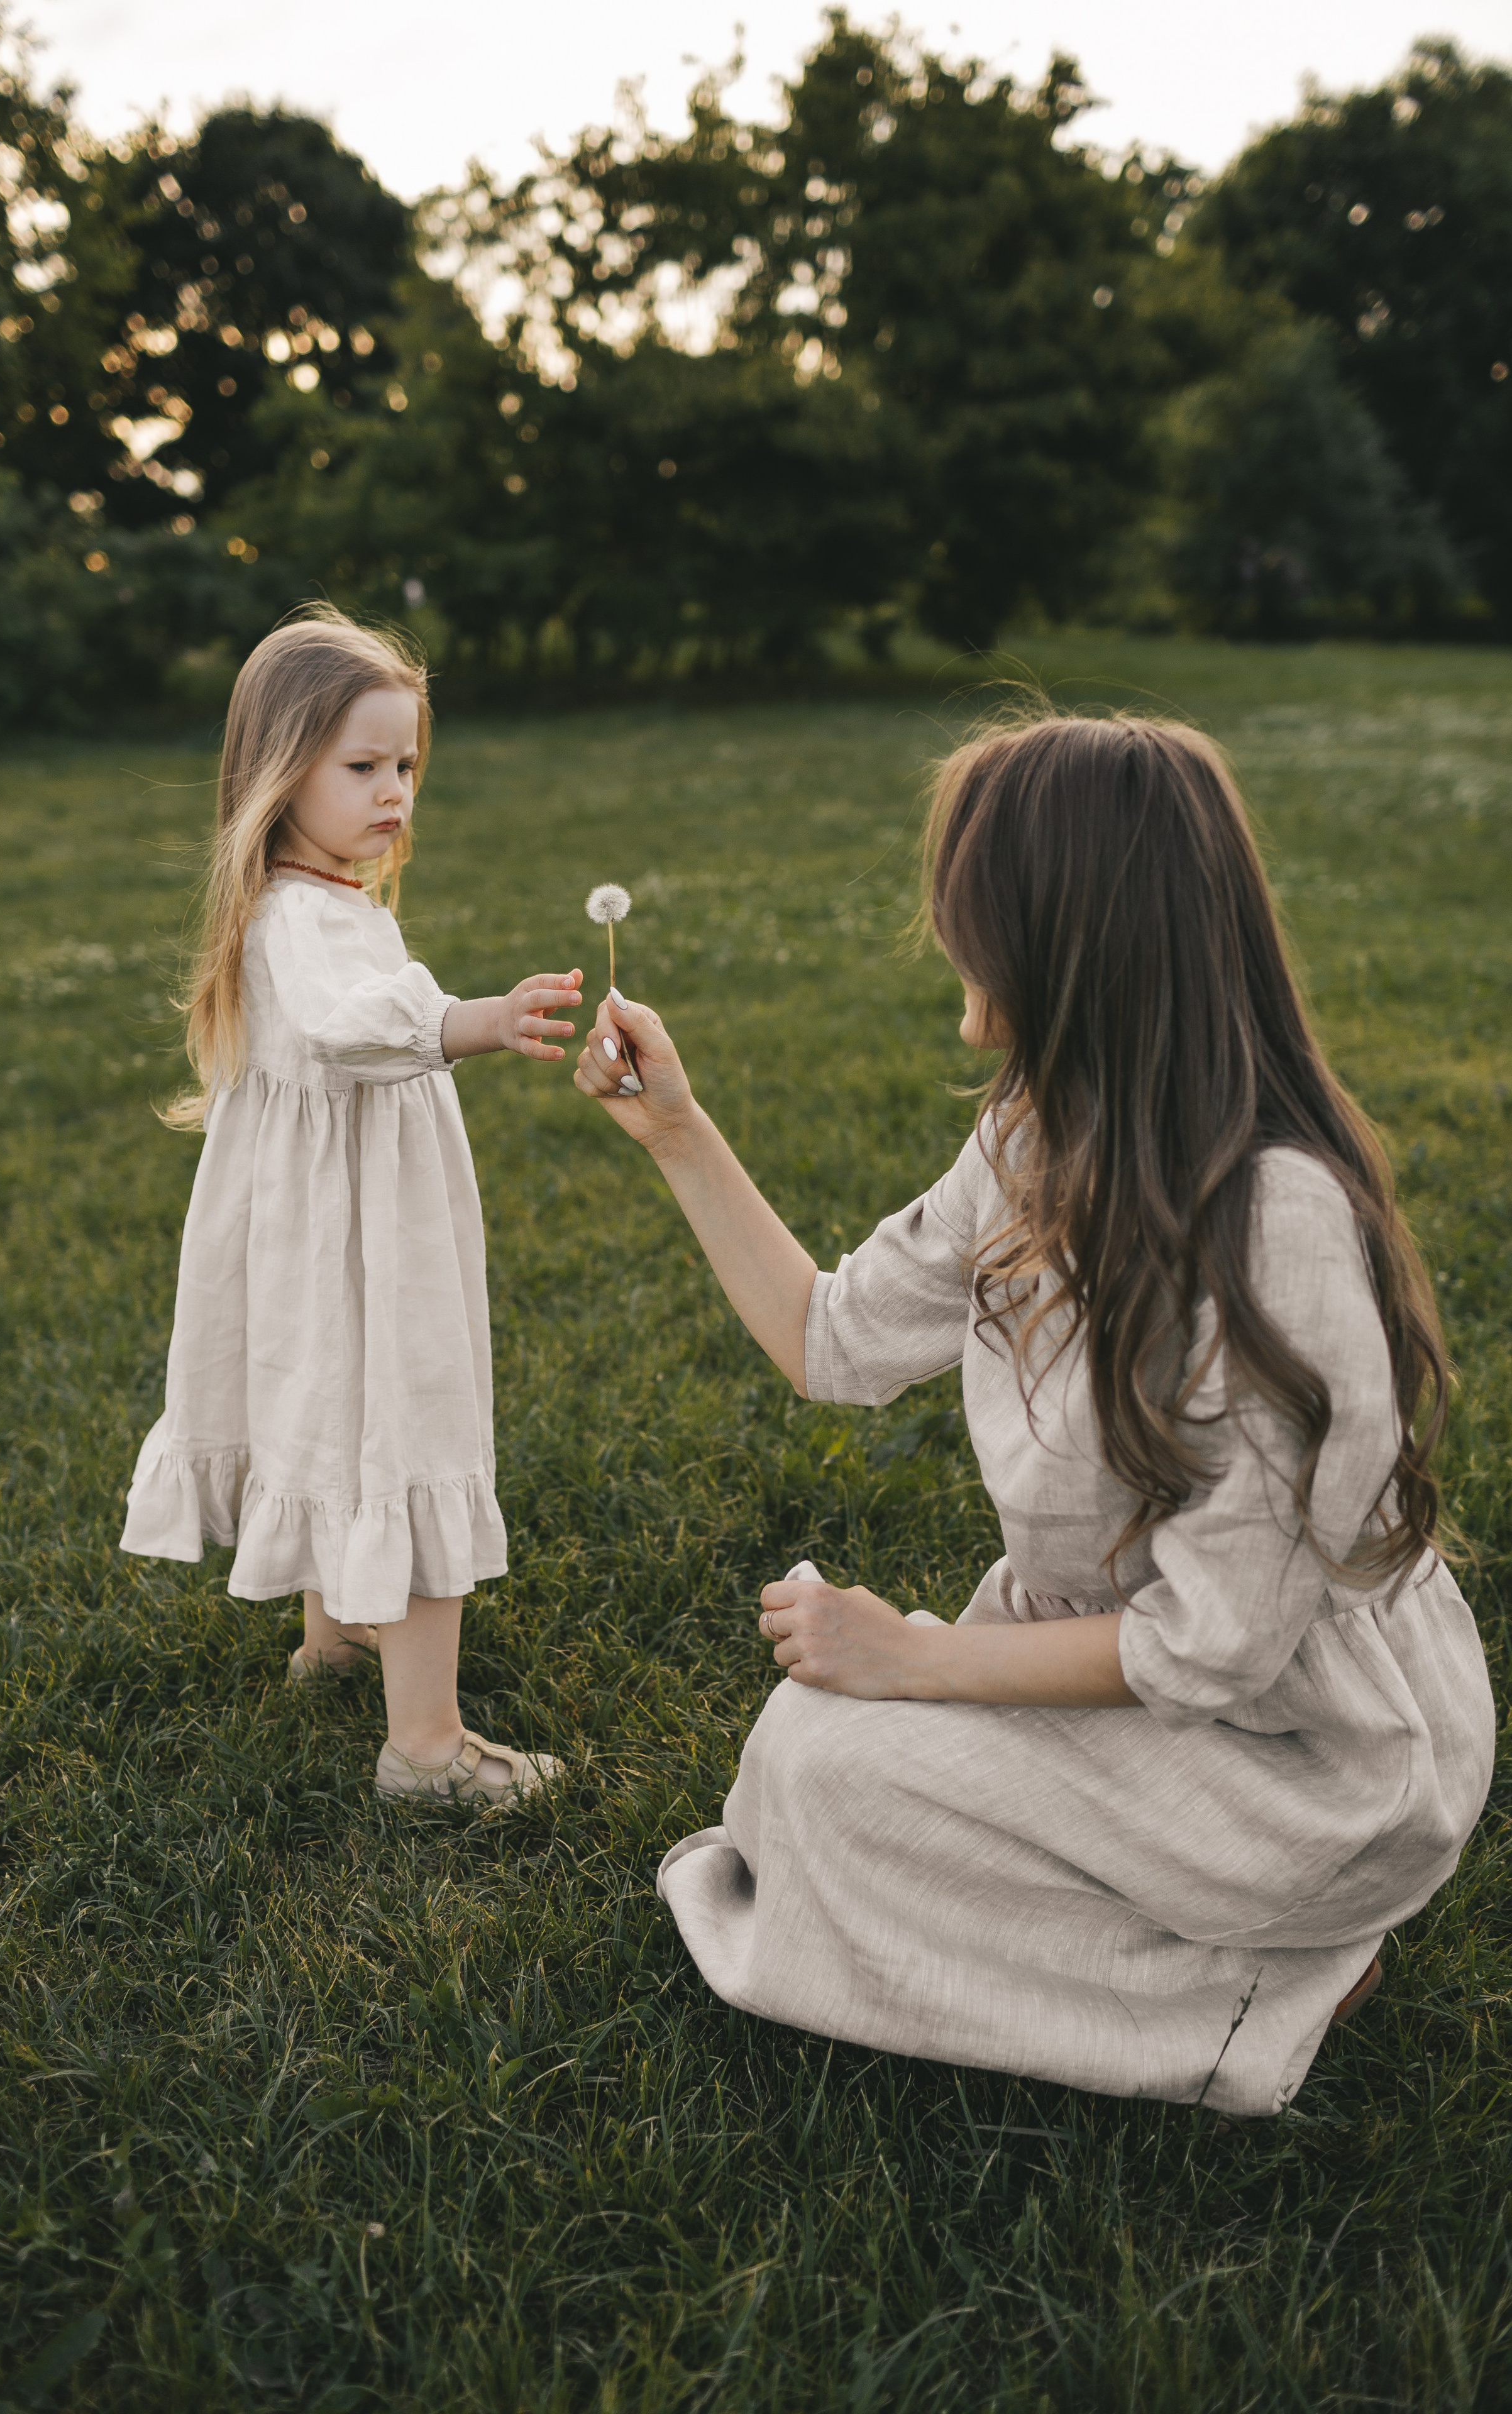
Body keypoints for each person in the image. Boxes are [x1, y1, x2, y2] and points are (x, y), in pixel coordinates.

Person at [573, 714, 1494, 2117]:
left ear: (1059, 933)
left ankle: (1257, 1993)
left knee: (830, 1774)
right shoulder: (1033, 1132)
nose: (940, 924)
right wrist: (679, 1135)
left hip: (1305, 1766)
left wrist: (914, 1662)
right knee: (801, 1771)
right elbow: (832, 1340)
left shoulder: (1271, 1226)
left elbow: (1215, 1646)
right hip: (1134, 1673)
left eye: (964, 896)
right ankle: (1193, 1947)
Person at [122, 608, 578, 1804]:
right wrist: (472, 1022)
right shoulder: (301, 920)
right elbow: (346, 1029)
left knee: (332, 1404)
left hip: (321, 1240)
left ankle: (331, 1639)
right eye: (363, 767)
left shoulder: (313, 902)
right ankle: (426, 1750)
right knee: (407, 1418)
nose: (394, 793)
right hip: (367, 1240)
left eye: (407, 765)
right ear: (283, 774)